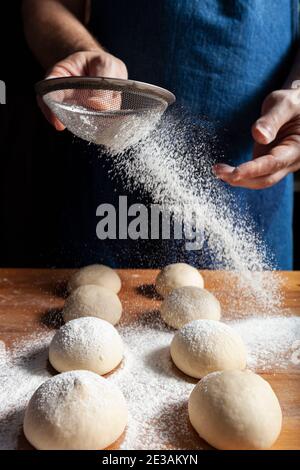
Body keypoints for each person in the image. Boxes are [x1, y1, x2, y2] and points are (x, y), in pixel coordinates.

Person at [22, 0, 300, 269]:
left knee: (253, 310)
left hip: (253, 176)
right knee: (86, 310)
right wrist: (82, 53)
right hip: (106, 173)